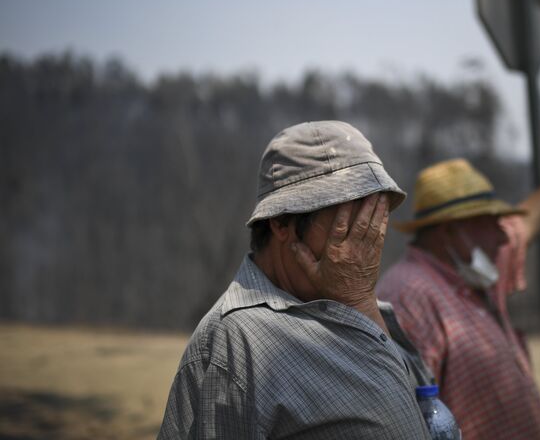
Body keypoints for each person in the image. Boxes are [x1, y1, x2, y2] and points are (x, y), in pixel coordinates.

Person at [158, 120, 431, 439]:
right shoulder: (233, 343)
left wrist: (361, 303)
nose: (368, 237)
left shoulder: (365, 305)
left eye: (373, 216)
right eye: (350, 221)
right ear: (282, 223)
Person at [377, 128, 540, 440]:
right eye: (490, 224)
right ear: (451, 232)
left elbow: (528, 222)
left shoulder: (475, 271)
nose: (503, 235)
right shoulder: (408, 297)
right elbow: (406, 423)